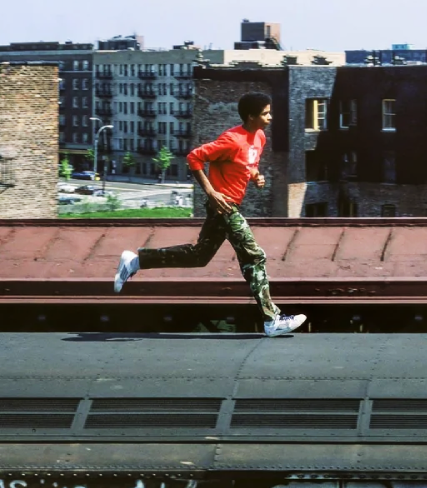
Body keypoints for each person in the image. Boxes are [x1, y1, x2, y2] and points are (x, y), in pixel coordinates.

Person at [113, 92, 306, 338]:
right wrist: (211, 192)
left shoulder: (259, 136)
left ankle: (135, 261)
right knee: (255, 256)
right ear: (251, 116)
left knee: (199, 256)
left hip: (229, 205)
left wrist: (256, 176)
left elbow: (248, 163)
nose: (270, 117)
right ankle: (272, 318)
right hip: (223, 206)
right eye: (266, 113)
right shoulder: (231, 139)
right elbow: (194, 157)